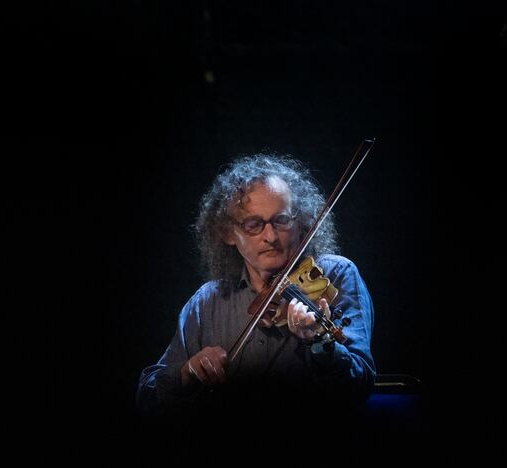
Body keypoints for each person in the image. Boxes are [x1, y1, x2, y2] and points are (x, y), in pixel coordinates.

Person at [136, 153, 376, 422]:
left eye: (281, 220)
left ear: (300, 222)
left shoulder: (335, 275)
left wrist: (322, 344)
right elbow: (148, 396)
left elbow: (360, 386)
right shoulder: (208, 302)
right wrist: (187, 371)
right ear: (228, 233)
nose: (271, 236)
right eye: (254, 225)